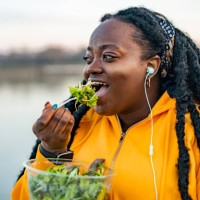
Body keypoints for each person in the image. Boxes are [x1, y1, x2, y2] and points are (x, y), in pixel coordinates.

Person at [12, 6, 200, 200]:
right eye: (88, 58)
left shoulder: (191, 132)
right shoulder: (77, 126)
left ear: (150, 66)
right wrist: (52, 152)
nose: (90, 68)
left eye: (108, 56)